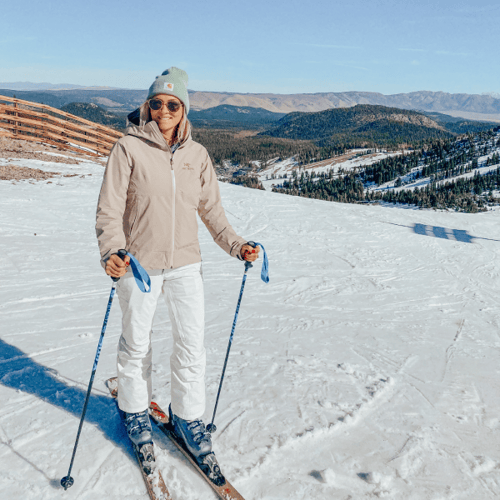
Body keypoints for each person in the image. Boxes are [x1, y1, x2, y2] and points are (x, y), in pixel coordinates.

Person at [95, 67, 260, 462]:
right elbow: (109, 209)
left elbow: (212, 211)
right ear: (146, 106)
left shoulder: (197, 155)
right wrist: (111, 250)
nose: (163, 110)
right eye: (156, 103)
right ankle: (135, 411)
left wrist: (237, 245)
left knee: (191, 345)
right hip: (138, 264)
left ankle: (187, 417)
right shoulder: (128, 148)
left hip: (186, 264)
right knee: (136, 344)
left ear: (184, 108)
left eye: (172, 104)